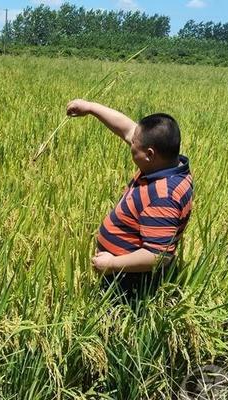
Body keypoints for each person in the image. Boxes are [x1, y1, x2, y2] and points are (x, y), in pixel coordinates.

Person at [66, 100, 193, 302]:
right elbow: (127, 129)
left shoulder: (163, 196)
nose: (130, 144)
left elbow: (157, 256)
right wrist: (89, 108)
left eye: (134, 144)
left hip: (129, 280)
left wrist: (112, 264)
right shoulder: (167, 162)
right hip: (120, 268)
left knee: (113, 320)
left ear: (150, 154)